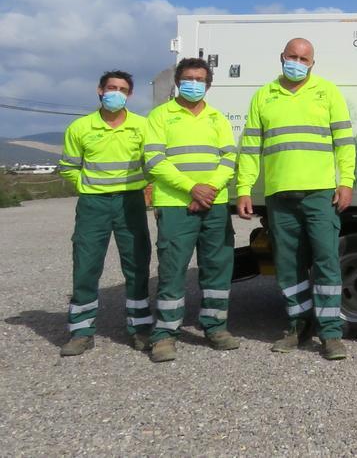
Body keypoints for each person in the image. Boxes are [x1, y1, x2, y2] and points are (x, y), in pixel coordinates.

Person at [236, 38, 355, 361]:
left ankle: (330, 333)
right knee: (288, 266)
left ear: (312, 63)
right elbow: (250, 148)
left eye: (304, 58)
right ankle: (298, 325)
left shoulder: (326, 92)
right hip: (279, 195)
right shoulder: (264, 95)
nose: (298, 62)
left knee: (327, 261)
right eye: (293, 56)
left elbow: (344, 142)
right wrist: (244, 188)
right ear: (282, 58)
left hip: (319, 194)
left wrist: (346, 182)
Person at [143, 58, 239, 363]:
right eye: (188, 78)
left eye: (200, 79)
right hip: (176, 205)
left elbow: (229, 158)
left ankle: (215, 327)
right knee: (172, 269)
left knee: (217, 267)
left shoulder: (217, 119)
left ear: (208, 84)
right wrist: (191, 188)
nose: (194, 84)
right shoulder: (159, 117)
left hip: (214, 204)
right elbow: (154, 161)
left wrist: (208, 189)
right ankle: (165, 336)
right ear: (177, 81)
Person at [57, 71, 153, 356]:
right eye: (111, 87)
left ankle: (140, 328)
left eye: (123, 89)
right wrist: (86, 188)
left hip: (130, 202)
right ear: (100, 91)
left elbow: (152, 164)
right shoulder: (80, 127)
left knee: (136, 265)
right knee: (86, 265)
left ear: (130, 95)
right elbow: (69, 166)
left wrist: (149, 191)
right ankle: (81, 332)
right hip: (93, 205)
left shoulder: (143, 126)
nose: (116, 93)